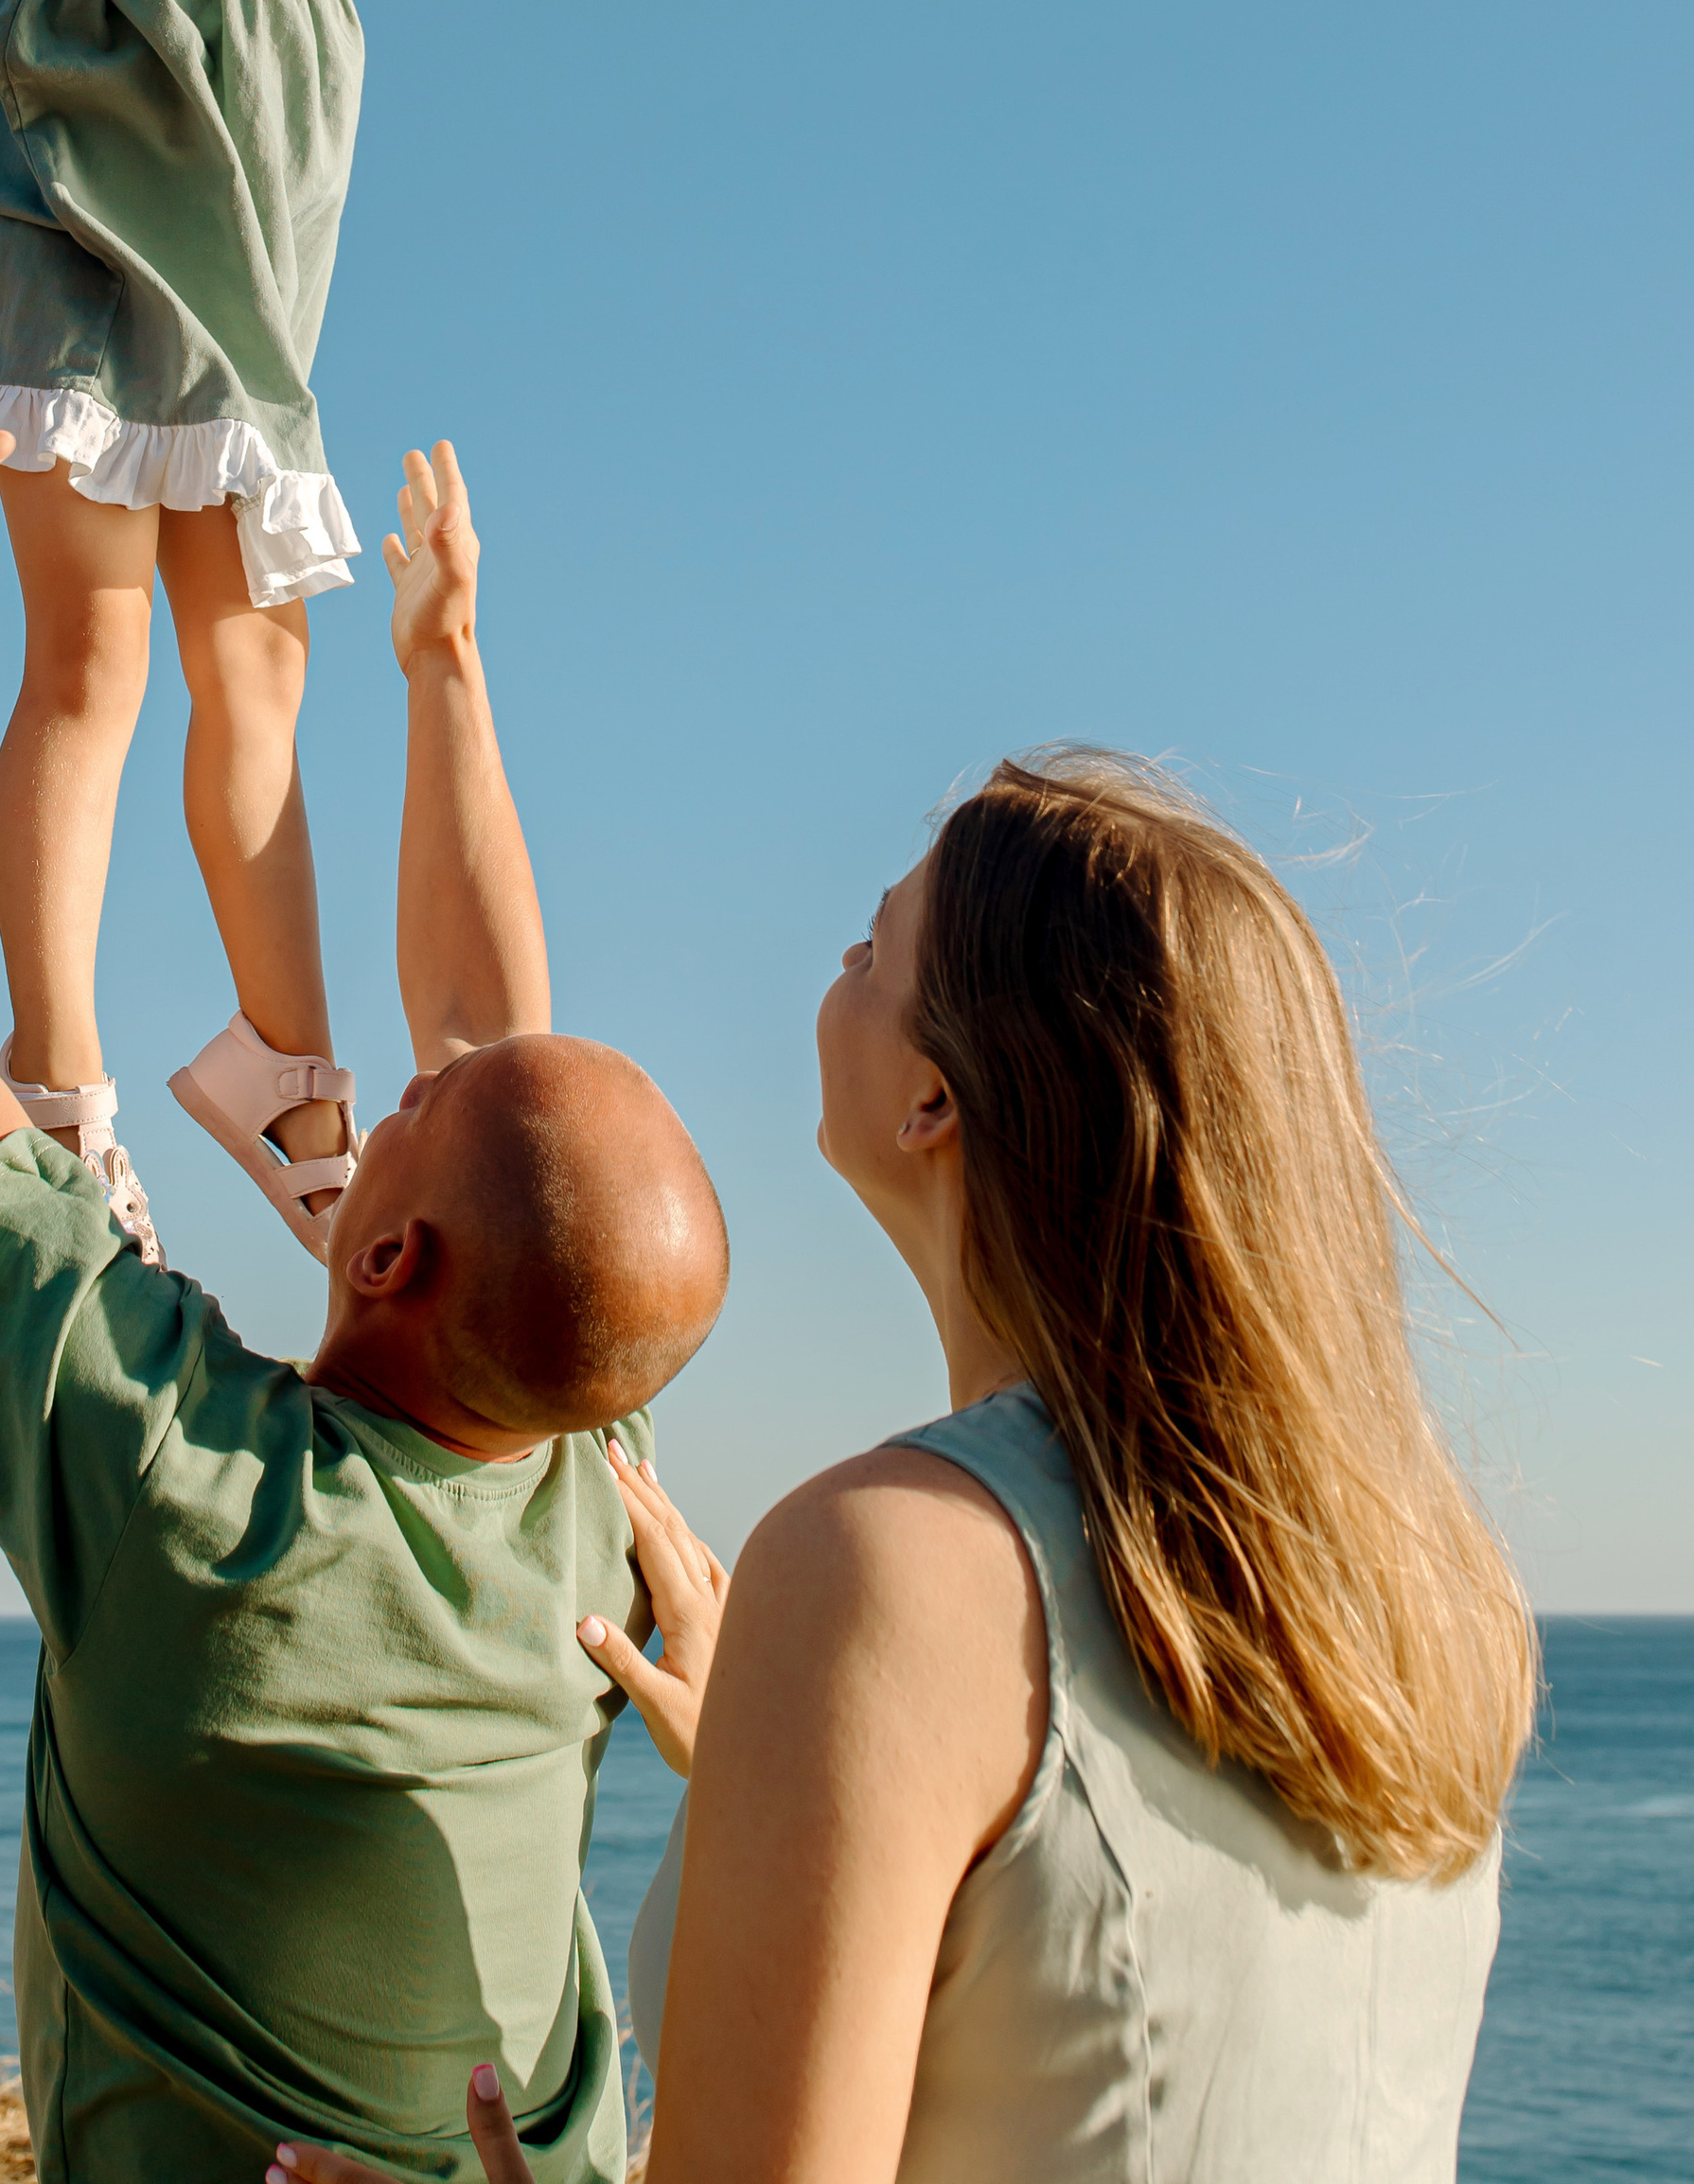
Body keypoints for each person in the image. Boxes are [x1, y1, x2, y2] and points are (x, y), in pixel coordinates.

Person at [0, 369, 731, 2184]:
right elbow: (498, 1049)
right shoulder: (594, 1492)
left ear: (393, 1254)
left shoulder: (180, 1495)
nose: (399, 1078)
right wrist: (443, 667)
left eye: (407, 1109)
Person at [283, 754, 1536, 2184]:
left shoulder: (887, 1565)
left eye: (874, 946)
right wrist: (774, 1747)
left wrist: (829, 1680)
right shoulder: (1428, 1597)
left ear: (934, 1097)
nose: (839, 963)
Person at [0, 0, 796, 1262]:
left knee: (262, 682)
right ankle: (53, 1069)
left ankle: (283, 1063)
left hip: (249, 320)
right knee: (91, 660)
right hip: (82, 263)